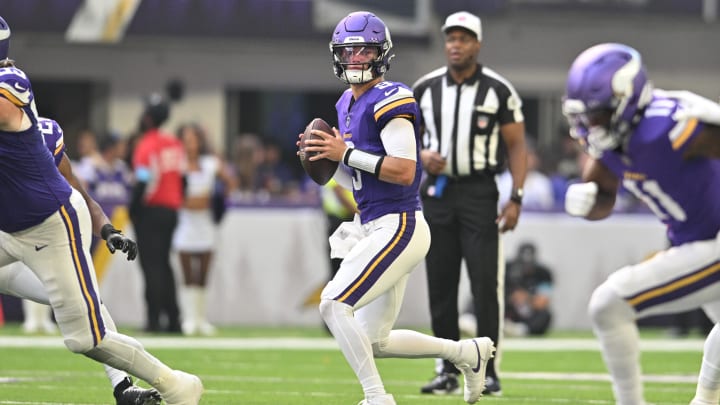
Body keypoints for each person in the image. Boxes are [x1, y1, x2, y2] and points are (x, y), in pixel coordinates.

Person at [0, 16, 202, 405]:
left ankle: (175, 385)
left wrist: (104, 227)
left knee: (84, 338)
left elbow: (73, 185)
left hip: (49, 226)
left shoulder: (13, 86)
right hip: (8, 230)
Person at [300, 11, 495, 405]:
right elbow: (355, 178)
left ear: (381, 53)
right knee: (375, 340)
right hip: (373, 223)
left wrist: (346, 151)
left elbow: (405, 171)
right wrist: (328, 158)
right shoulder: (345, 102)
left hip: (400, 224)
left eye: (364, 50)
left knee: (334, 303)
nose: (355, 59)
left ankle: (376, 398)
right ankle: (467, 354)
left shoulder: (392, 97)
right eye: (348, 51)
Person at [561, 42, 720, 405]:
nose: (591, 125)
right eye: (585, 115)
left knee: (608, 304)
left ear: (626, 99)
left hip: (713, 242)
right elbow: (602, 198)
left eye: (598, 114)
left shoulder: (670, 127)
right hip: (693, 241)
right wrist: (585, 202)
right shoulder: (610, 142)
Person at [412, 10, 528, 397]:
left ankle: (489, 368)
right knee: (440, 284)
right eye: (451, 38)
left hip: (480, 193)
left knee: (484, 286)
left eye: (464, 38)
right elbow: (401, 138)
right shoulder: (425, 88)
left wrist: (516, 197)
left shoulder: (497, 89)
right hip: (438, 194)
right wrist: (421, 154)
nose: (456, 45)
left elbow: (516, 145)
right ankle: (446, 366)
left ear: (477, 44)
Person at [129, 93, 184, 333]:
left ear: (148, 118)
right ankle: (173, 319)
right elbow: (184, 180)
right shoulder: (175, 144)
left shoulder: (146, 145)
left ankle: (153, 320)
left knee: (151, 266)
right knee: (164, 264)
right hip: (171, 211)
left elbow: (143, 181)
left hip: (150, 210)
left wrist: (134, 210)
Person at [173, 122, 234, 336]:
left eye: (194, 140)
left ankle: (201, 318)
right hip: (185, 225)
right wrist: (196, 201)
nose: (190, 144)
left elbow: (230, 181)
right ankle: (189, 318)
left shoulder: (210, 164)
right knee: (188, 274)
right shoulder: (177, 164)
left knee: (203, 276)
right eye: (186, 140)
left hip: (206, 225)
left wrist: (216, 200)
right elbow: (178, 198)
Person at [503, 242, 553, 337]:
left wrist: (527, 298)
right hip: (508, 308)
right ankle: (472, 321)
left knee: (545, 314)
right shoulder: (506, 268)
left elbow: (542, 302)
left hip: (528, 311)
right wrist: (511, 297)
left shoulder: (543, 273)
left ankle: (521, 330)